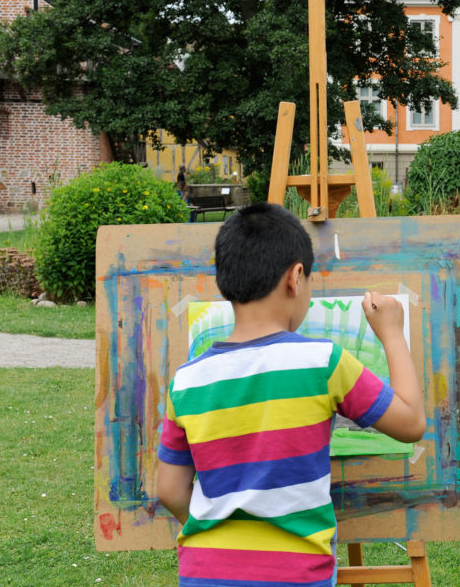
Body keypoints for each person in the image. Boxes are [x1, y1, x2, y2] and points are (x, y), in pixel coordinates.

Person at [155, 202, 425, 587]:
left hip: (204, 573)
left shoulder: (187, 381)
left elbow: (169, 489)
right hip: (295, 576)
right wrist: (393, 333)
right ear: (296, 277)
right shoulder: (322, 362)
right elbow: (411, 422)